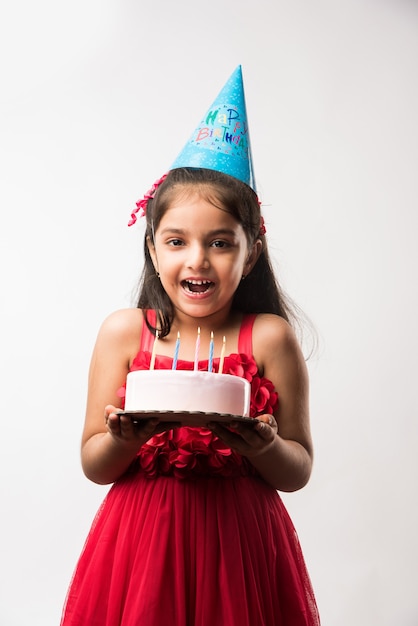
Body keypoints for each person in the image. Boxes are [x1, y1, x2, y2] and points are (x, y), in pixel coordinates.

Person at [60, 67, 320, 625]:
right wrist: (123, 438)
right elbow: (94, 464)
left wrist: (261, 446)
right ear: (153, 250)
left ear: (250, 255)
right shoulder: (124, 332)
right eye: (177, 241)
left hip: (241, 549)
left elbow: (296, 470)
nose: (198, 260)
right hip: (138, 546)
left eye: (220, 243)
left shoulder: (269, 336)